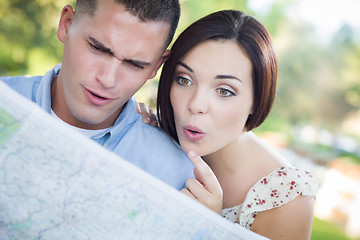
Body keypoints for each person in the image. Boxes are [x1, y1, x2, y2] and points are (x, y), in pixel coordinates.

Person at [140, 10, 320, 239]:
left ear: (256, 101)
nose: (196, 105)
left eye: (224, 91)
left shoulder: (286, 198)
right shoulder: (151, 135)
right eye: (184, 80)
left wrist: (210, 230)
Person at [0, 0, 195, 190]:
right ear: (66, 24)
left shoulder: (177, 175)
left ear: (156, 66)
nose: (108, 80)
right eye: (97, 48)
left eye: (135, 64)